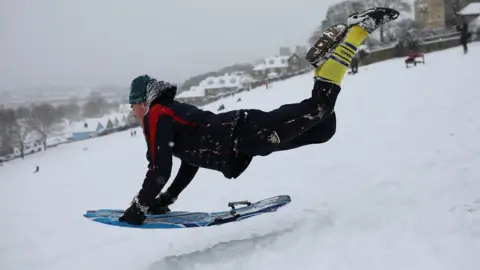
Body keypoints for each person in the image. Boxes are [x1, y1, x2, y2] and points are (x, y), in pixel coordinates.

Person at [119, 7, 400, 225]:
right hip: (246, 135)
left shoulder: (157, 114)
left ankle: (355, 33)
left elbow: (160, 168)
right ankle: (323, 65)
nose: (134, 114)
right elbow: (189, 161)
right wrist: (167, 198)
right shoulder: (169, 112)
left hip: (246, 133)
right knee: (323, 128)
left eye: (134, 107)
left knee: (320, 110)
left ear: (143, 101)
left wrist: (139, 207)